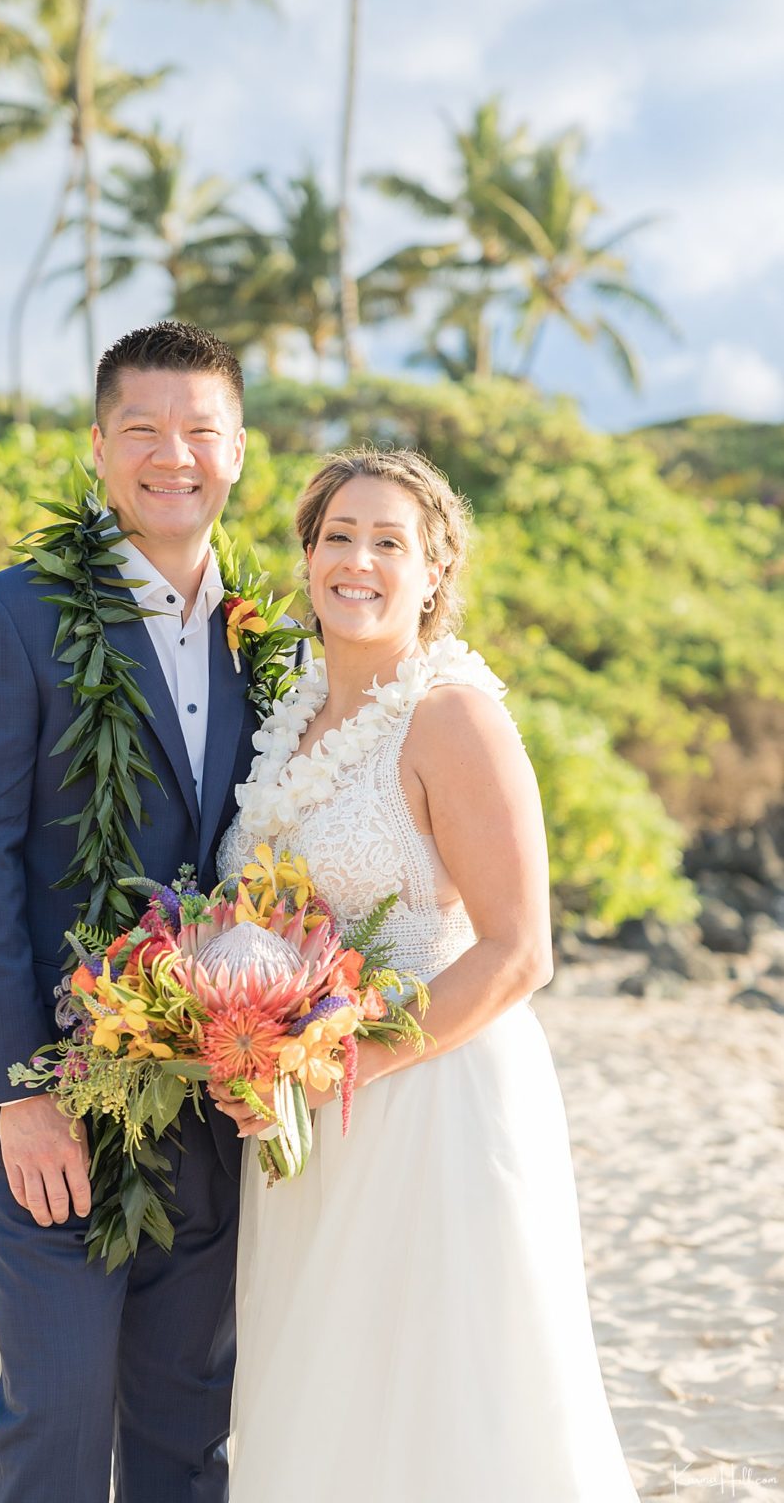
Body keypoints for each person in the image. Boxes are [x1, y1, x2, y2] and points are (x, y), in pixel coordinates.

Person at [212, 447, 641, 1502]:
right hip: (308, 1124)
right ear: (306, 557)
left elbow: (518, 949)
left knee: (446, 1398)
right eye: (337, 536)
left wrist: (343, 1057)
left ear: (433, 573)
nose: (358, 560)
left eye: (388, 542)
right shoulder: (285, 718)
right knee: (325, 1392)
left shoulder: (450, 717)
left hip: (432, 1096)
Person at [0, 321, 270, 1503]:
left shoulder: (261, 643)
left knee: (185, 1430)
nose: (173, 455)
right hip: (49, 1099)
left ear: (238, 452)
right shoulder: (4, 620)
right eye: (142, 430)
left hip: (205, 1103)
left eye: (200, 432)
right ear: (98, 446)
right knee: (59, 1415)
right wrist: (16, 1090)